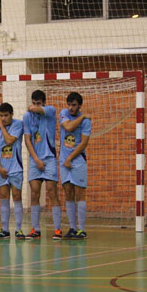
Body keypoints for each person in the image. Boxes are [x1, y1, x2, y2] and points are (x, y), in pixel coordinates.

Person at [23, 90, 62, 240]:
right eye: (33, 102)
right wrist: (36, 159)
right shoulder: (27, 117)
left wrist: (34, 107)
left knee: (52, 192)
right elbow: (27, 140)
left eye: (38, 103)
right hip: (35, 159)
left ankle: (58, 229)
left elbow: (36, 109)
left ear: (44, 103)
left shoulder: (50, 111)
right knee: (34, 192)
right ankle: (35, 229)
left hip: (50, 158)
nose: (35, 106)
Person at [0, 103, 25, 240]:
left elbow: (10, 140)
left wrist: (2, 127)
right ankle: (4, 230)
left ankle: (18, 229)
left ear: (12, 114)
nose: (3, 118)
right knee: (3, 197)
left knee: (17, 196)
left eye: (6, 115)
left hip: (15, 168)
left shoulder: (18, 124)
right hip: (2, 168)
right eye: (1, 115)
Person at [60, 92, 91, 239]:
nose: (71, 108)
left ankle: (82, 229)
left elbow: (83, 143)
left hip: (78, 161)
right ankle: (72, 228)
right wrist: (81, 117)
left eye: (74, 105)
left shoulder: (86, 122)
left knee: (80, 194)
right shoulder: (64, 113)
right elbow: (68, 127)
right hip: (64, 161)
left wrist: (70, 158)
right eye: (69, 104)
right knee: (68, 193)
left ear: (79, 105)